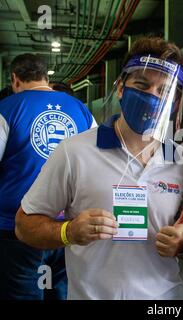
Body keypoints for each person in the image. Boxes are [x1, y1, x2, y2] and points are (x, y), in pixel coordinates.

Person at [15, 37, 183, 300]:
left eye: (163, 92)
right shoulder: (74, 151)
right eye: (142, 85)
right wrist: (68, 231)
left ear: (175, 102)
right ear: (121, 87)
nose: (152, 97)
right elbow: (23, 224)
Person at [0, 53, 96, 300]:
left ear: (15, 79)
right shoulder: (81, 111)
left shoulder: (7, 109)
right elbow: (98, 164)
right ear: (45, 76)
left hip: (16, 228)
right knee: (61, 293)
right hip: (68, 227)